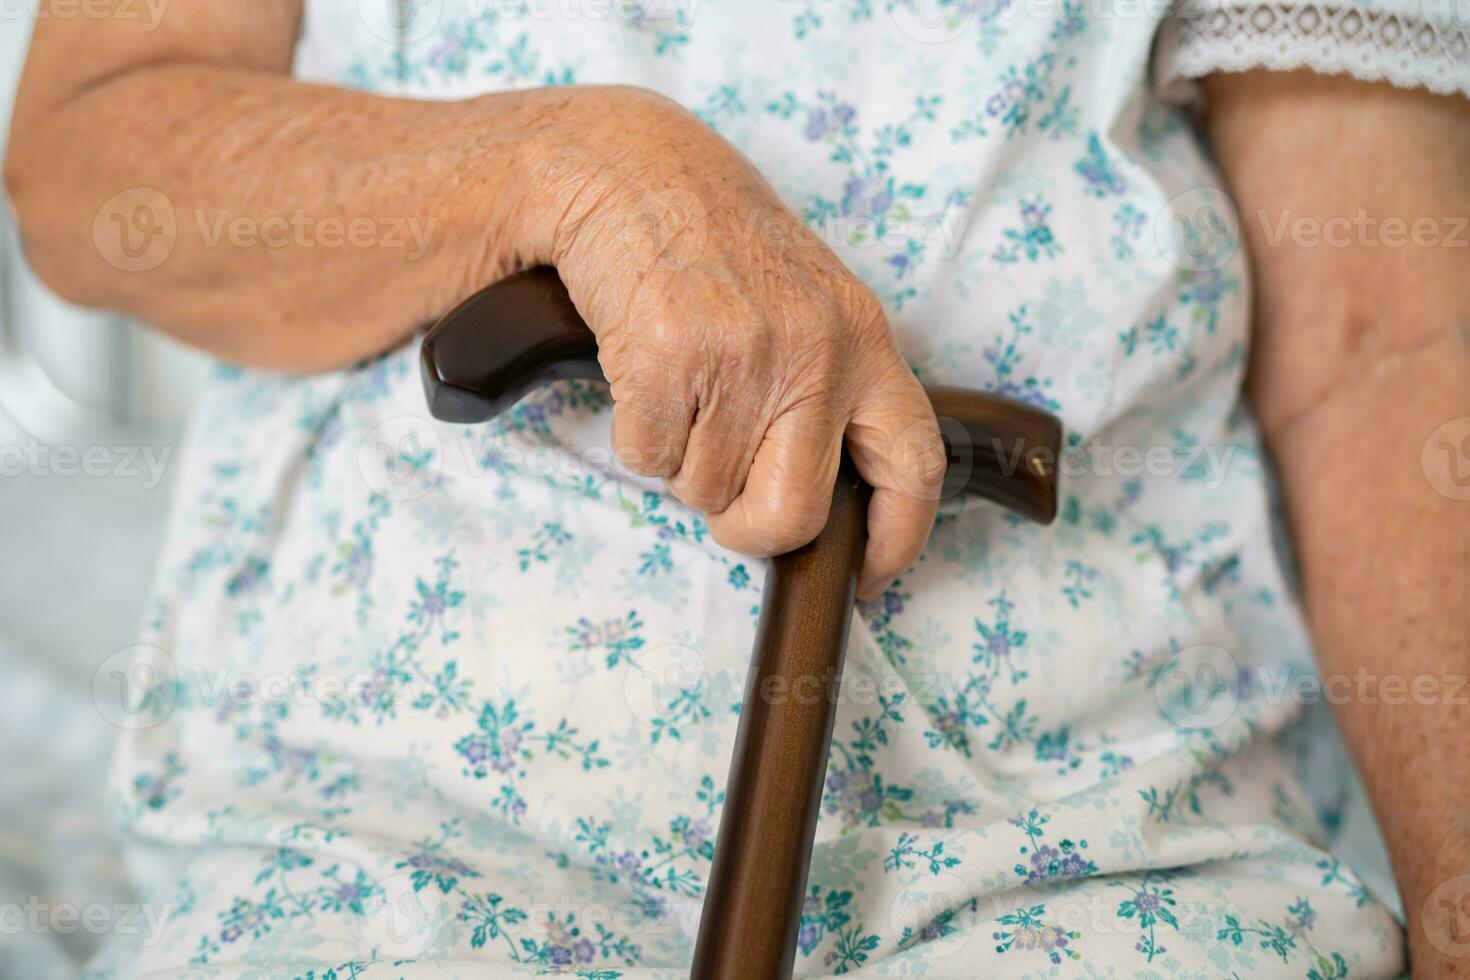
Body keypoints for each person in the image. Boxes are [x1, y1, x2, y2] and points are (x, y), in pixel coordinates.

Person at [6, 0, 1467, 975]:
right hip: (399, 825)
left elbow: (1379, 341)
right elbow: (93, 163)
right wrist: (575, 174)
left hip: (1110, 836)